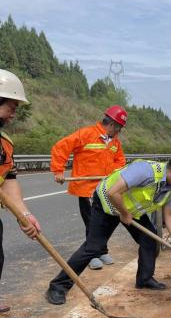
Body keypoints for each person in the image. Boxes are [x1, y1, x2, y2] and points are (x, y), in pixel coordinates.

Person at [45, 154, 171, 305]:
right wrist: (124, 214)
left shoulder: (169, 189)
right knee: (94, 248)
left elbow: (169, 216)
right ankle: (58, 286)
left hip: (130, 209)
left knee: (149, 238)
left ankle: (144, 279)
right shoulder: (145, 171)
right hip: (107, 203)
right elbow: (112, 192)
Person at [51, 105, 127, 270]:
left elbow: (120, 161)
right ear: (112, 124)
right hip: (87, 189)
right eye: (119, 128)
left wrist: (114, 176)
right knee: (92, 223)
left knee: (105, 221)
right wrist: (58, 170)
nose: (119, 131)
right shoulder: (86, 134)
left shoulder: (115, 142)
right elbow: (61, 147)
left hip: (105, 188)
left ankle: (101, 250)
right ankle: (91, 255)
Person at [0, 69, 42, 318]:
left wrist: (24, 214)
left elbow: (9, 181)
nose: (14, 113)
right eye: (11, 106)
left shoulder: (5, 143)